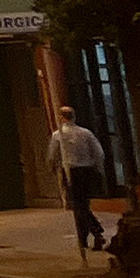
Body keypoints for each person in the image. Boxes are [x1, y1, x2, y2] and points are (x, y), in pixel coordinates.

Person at [47, 108, 109, 258]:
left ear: (61, 118)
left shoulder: (58, 135)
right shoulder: (86, 133)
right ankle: (83, 238)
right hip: (86, 170)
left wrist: (52, 167)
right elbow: (99, 153)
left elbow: (52, 155)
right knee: (83, 204)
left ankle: (95, 230)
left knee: (78, 205)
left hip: (71, 172)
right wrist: (97, 168)